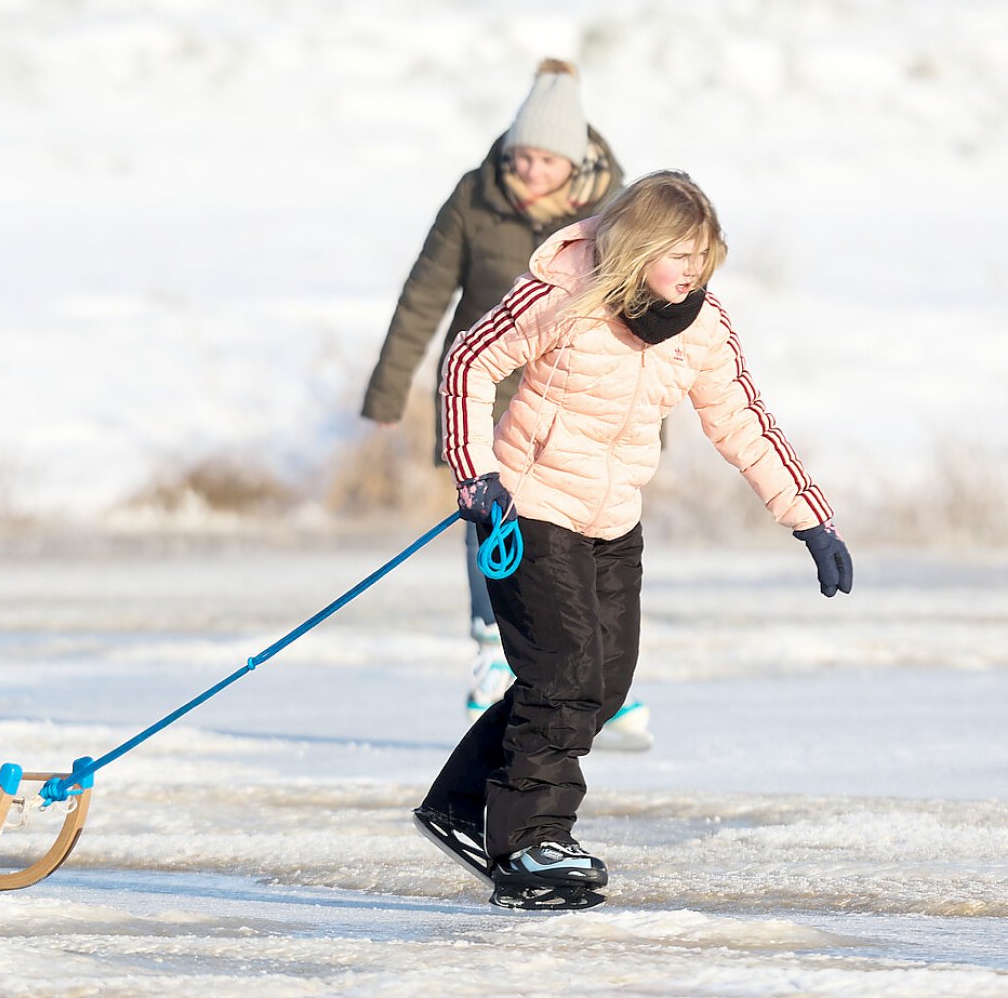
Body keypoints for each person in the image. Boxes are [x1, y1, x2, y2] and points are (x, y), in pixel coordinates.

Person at [411, 171, 852, 907]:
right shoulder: (565, 294)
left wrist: (811, 519)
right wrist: (476, 474)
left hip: (613, 518)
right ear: (640, 246)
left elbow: (744, 422)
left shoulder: (701, 326)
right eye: (681, 255)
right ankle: (528, 842)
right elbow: (467, 361)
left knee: (603, 684)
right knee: (564, 675)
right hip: (531, 507)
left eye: (705, 257)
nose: (695, 271)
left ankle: (460, 802)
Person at [360, 58, 650, 747]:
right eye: (521, 155)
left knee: (583, 527)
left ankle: (596, 671)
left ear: (574, 160)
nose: (528, 170)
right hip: (486, 385)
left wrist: (646, 419)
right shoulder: (475, 195)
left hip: (579, 393)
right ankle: (492, 647)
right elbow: (425, 292)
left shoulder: (616, 210)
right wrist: (389, 387)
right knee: (486, 514)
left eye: (544, 160)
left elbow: (644, 312)